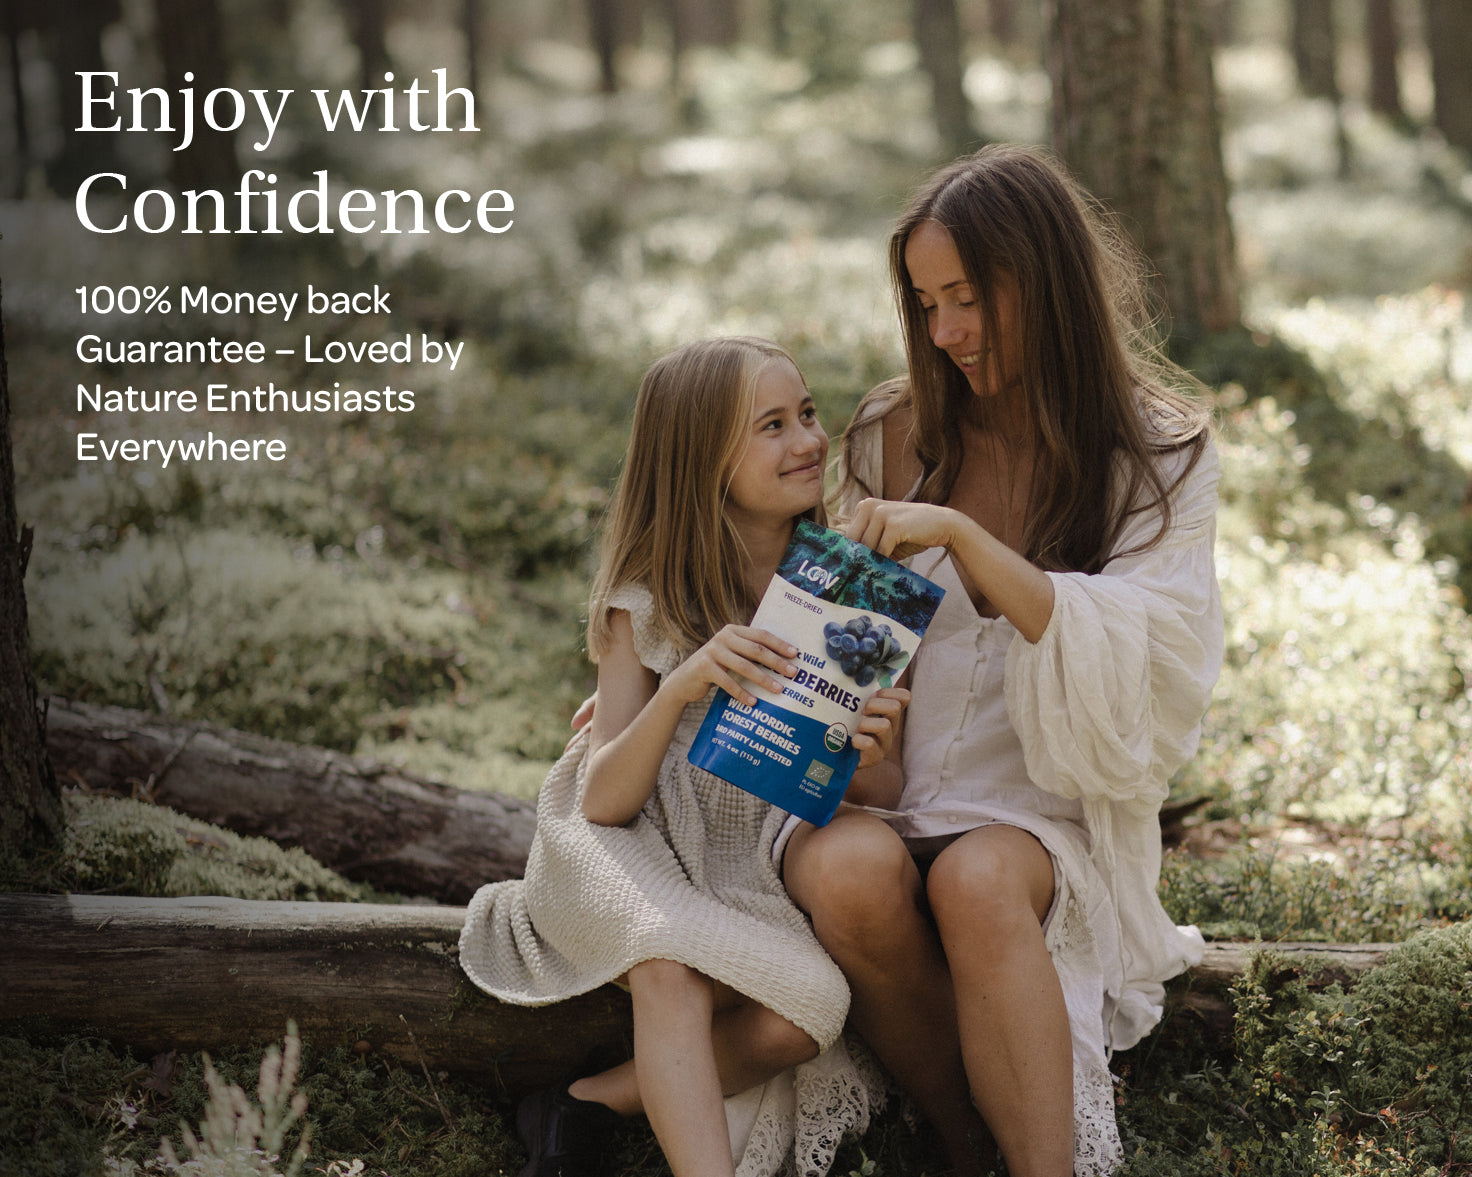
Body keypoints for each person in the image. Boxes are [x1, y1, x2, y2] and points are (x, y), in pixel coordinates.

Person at [779, 144, 1223, 1177]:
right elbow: (847, 634)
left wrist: (969, 542)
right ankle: (961, 1137)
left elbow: (1157, 651)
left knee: (976, 880)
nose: (946, 333)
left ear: (1046, 281)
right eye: (927, 303)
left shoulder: (1159, 453)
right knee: (842, 873)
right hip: (896, 788)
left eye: (968, 298)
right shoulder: (899, 427)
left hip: (1040, 806)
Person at [458, 336, 905, 1177]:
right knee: (667, 962)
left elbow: (878, 784)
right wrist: (679, 689)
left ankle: (584, 1101)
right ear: (701, 461)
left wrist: (870, 752)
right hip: (623, 838)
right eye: (771, 426)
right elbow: (604, 799)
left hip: (739, 852)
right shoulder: (649, 593)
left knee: (808, 1010)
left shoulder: (849, 592)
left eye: (806, 413)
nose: (808, 439)